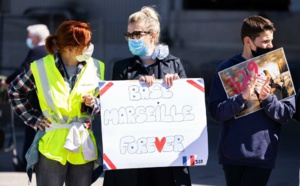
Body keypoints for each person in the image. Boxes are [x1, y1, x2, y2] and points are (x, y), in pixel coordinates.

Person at [8, 20, 105, 186]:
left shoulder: (96, 66)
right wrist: (34, 119)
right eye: (85, 43)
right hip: (51, 147)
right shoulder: (41, 67)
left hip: (82, 146)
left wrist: (94, 103)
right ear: (69, 48)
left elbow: (104, 104)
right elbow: (15, 91)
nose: (90, 47)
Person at [103, 6, 191, 186]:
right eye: (129, 35)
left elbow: (188, 107)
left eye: (136, 34)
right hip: (134, 154)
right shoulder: (122, 68)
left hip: (167, 153)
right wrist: (135, 84)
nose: (132, 39)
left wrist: (177, 86)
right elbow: (114, 108)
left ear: (152, 35)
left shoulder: (173, 64)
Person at [208, 15, 295, 186]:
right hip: (232, 154)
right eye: (265, 42)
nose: (270, 46)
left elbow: (287, 114)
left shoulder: (278, 66)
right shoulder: (226, 68)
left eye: (271, 41)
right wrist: (241, 97)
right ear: (248, 41)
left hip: (262, 154)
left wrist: (267, 99)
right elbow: (216, 113)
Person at [1, 24, 49, 171]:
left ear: (35, 37)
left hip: (36, 97)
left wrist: (7, 81)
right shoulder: (53, 50)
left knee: (32, 129)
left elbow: (24, 70)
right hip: (49, 98)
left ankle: (28, 163)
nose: (28, 39)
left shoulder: (38, 50)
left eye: (29, 36)